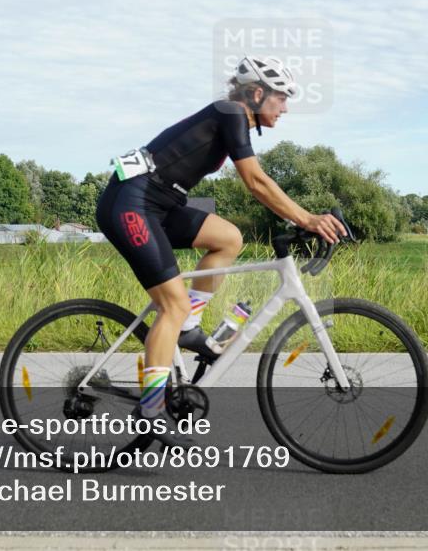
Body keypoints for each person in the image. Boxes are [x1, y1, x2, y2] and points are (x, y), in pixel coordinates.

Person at [95, 56, 346, 447]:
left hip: (159, 203)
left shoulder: (234, 119)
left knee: (228, 238)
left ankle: (188, 327)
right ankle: (150, 410)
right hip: (131, 203)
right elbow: (257, 182)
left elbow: (258, 182)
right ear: (257, 92)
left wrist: (301, 219)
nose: (286, 107)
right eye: (281, 97)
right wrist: (308, 219)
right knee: (170, 305)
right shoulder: (230, 112)